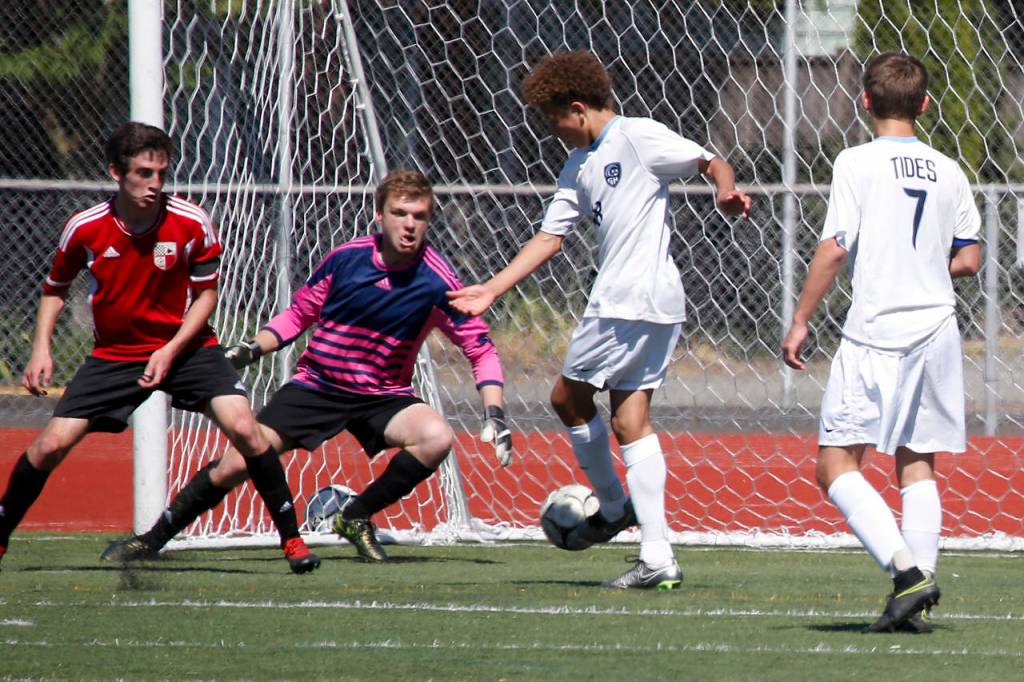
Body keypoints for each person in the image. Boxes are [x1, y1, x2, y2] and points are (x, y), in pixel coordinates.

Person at [448, 50, 751, 589]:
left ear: (579, 108)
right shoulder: (578, 165)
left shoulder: (636, 136)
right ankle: (658, 558)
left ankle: (613, 507)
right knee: (630, 421)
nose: (552, 130)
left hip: (627, 301)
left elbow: (711, 160)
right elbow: (550, 236)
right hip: (651, 304)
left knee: (566, 399)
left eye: (553, 118)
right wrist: (492, 289)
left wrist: (724, 190)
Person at [102, 168, 511, 563]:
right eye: (399, 213)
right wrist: (254, 348)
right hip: (317, 386)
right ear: (378, 215)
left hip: (382, 396)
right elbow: (298, 315)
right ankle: (151, 541)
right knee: (237, 463)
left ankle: (355, 517)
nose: (409, 225)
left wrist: (495, 413)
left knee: (436, 437)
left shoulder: (438, 279)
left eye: (419, 216)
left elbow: (481, 348)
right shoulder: (346, 259)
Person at [0, 122, 318, 574]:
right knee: (51, 445)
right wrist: (40, 349)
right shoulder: (85, 228)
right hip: (116, 355)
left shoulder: (191, 221)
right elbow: (55, 289)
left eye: (161, 174)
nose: (154, 184)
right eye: (143, 173)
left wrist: (170, 350)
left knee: (247, 430)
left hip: (189, 349)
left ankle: (293, 541)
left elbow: (207, 295)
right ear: (116, 172)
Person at [782, 53, 981, 632]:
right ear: (924, 104)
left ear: (865, 102)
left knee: (835, 464)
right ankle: (914, 599)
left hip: (876, 332)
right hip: (938, 328)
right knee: (917, 465)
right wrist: (926, 264)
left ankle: (905, 574)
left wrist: (800, 319)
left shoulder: (856, 161)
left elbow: (835, 248)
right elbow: (969, 258)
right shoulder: (949, 169)